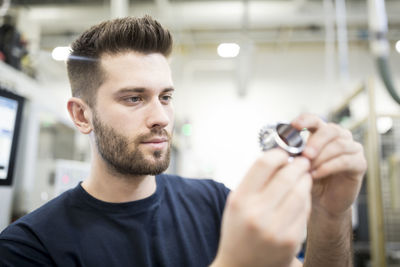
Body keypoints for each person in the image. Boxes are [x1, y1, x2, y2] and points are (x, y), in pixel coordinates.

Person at [0, 15, 366, 267]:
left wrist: (331, 213)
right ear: (82, 115)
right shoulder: (30, 248)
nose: (160, 116)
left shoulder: (215, 203)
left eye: (166, 97)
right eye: (134, 98)